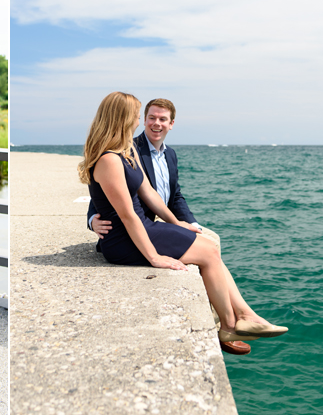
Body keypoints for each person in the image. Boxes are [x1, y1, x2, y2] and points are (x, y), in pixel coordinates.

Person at [78, 92, 287, 356]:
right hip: (124, 239)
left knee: (209, 246)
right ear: (122, 118)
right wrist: (154, 258)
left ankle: (242, 317)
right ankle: (231, 325)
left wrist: (179, 224)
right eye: (137, 115)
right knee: (209, 252)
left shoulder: (126, 151)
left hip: (143, 228)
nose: (137, 121)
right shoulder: (108, 159)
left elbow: (150, 194)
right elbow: (128, 214)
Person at [88, 98, 220, 248]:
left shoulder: (170, 154)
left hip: (163, 223)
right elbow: (105, 190)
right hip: (137, 230)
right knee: (208, 248)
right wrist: (93, 218)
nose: (156, 123)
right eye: (152, 118)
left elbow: (175, 195)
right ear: (144, 120)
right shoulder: (129, 150)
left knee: (210, 241)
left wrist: (192, 224)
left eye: (163, 119)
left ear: (171, 124)